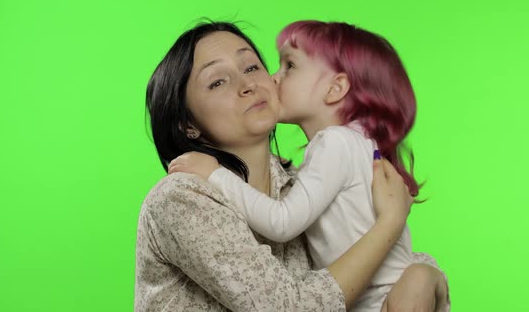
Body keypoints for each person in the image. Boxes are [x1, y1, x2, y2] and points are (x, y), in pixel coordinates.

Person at [136, 21, 449, 311]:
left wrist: (424, 272)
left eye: (251, 66)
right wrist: (390, 225)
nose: (248, 84)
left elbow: (370, 256)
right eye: (217, 81)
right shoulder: (182, 197)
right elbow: (286, 307)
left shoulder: (294, 183)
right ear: (187, 124)